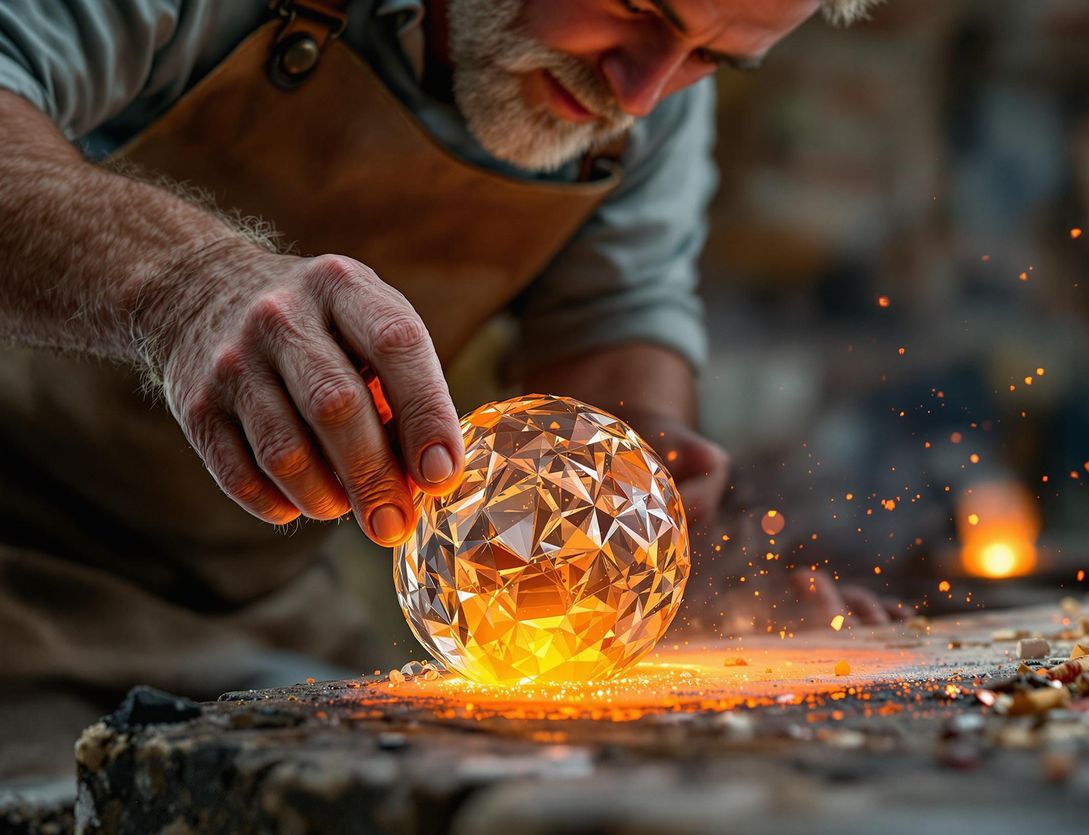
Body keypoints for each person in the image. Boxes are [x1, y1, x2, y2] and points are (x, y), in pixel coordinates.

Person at [0, 0, 880, 779]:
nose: (645, 90)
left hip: (259, 618)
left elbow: (615, 324)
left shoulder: (646, 106)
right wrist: (185, 286)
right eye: (634, 6)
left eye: (711, 60)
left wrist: (646, 513)